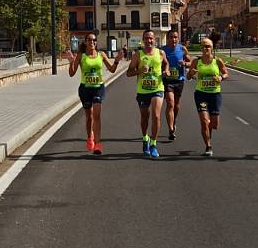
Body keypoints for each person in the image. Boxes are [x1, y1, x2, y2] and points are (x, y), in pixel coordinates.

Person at [67, 33, 124, 155]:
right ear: (86, 42)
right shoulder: (81, 56)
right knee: (90, 117)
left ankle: (98, 144)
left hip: (98, 87)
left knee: (97, 115)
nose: (92, 42)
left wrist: (117, 61)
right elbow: (71, 73)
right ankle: (90, 137)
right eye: (89, 40)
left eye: (94, 40)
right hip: (85, 89)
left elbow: (112, 69)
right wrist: (71, 62)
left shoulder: (101, 55)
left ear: (96, 42)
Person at [127, 29, 170, 158]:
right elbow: (128, 73)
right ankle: (145, 139)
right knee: (145, 116)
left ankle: (153, 144)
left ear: (154, 40)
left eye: (151, 38)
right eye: (146, 38)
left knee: (156, 116)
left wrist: (166, 71)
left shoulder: (161, 53)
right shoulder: (138, 55)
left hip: (158, 88)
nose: (149, 41)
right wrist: (140, 71)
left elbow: (166, 63)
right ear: (143, 40)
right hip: (143, 90)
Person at [187, 37, 229, 157]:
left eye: (208, 46)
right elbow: (189, 77)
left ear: (212, 48)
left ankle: (208, 128)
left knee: (214, 125)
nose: (205, 48)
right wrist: (191, 73)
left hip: (215, 94)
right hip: (201, 94)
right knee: (204, 121)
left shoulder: (217, 61)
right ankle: (208, 146)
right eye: (203, 46)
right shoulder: (196, 61)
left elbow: (226, 73)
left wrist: (221, 78)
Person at [162, 30, 191, 140]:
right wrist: (164, 70)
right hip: (167, 81)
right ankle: (171, 130)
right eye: (171, 37)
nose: (173, 39)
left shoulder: (182, 49)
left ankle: (174, 121)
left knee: (176, 105)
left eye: (175, 37)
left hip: (179, 80)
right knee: (170, 103)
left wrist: (184, 63)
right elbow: (159, 64)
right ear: (167, 38)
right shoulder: (163, 51)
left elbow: (190, 63)